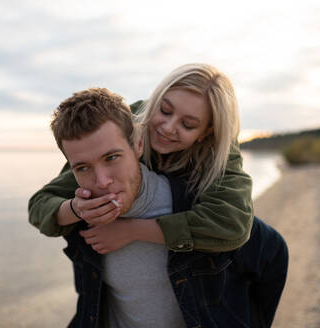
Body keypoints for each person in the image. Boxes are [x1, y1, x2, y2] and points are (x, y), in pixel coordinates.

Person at [29, 79, 287, 327]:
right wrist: (75, 209)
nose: (167, 127)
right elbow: (41, 205)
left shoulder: (208, 183)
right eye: (165, 110)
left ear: (206, 133)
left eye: (188, 124)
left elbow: (261, 245)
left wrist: (135, 230)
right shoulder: (128, 125)